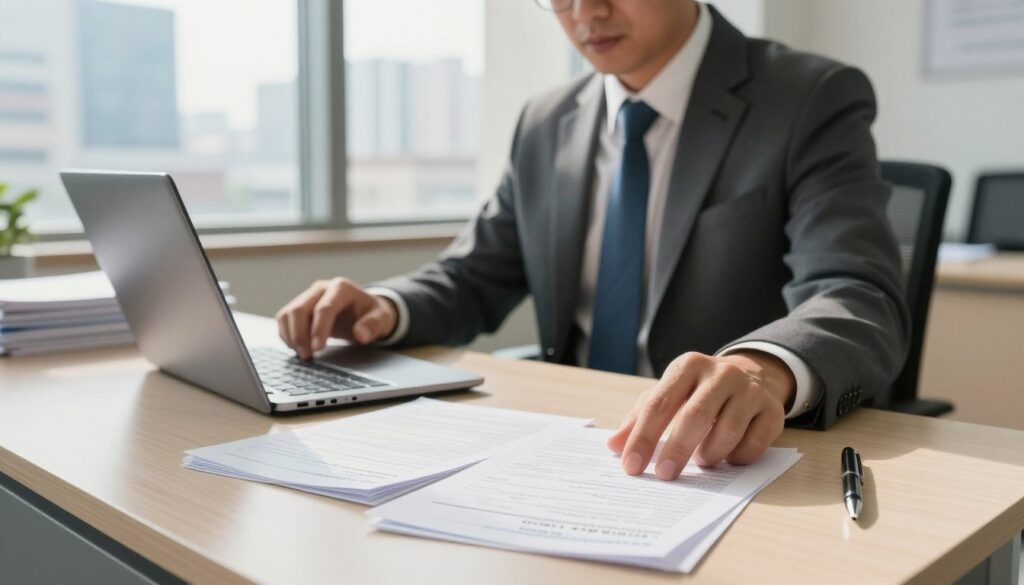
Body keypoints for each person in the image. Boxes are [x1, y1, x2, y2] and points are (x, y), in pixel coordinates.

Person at [276, 0, 909, 481]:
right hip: (571, 451)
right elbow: (476, 273)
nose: (586, 12)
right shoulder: (547, 120)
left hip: (718, 462)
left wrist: (760, 369)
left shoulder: (807, 97)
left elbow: (856, 291)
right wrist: (385, 307)